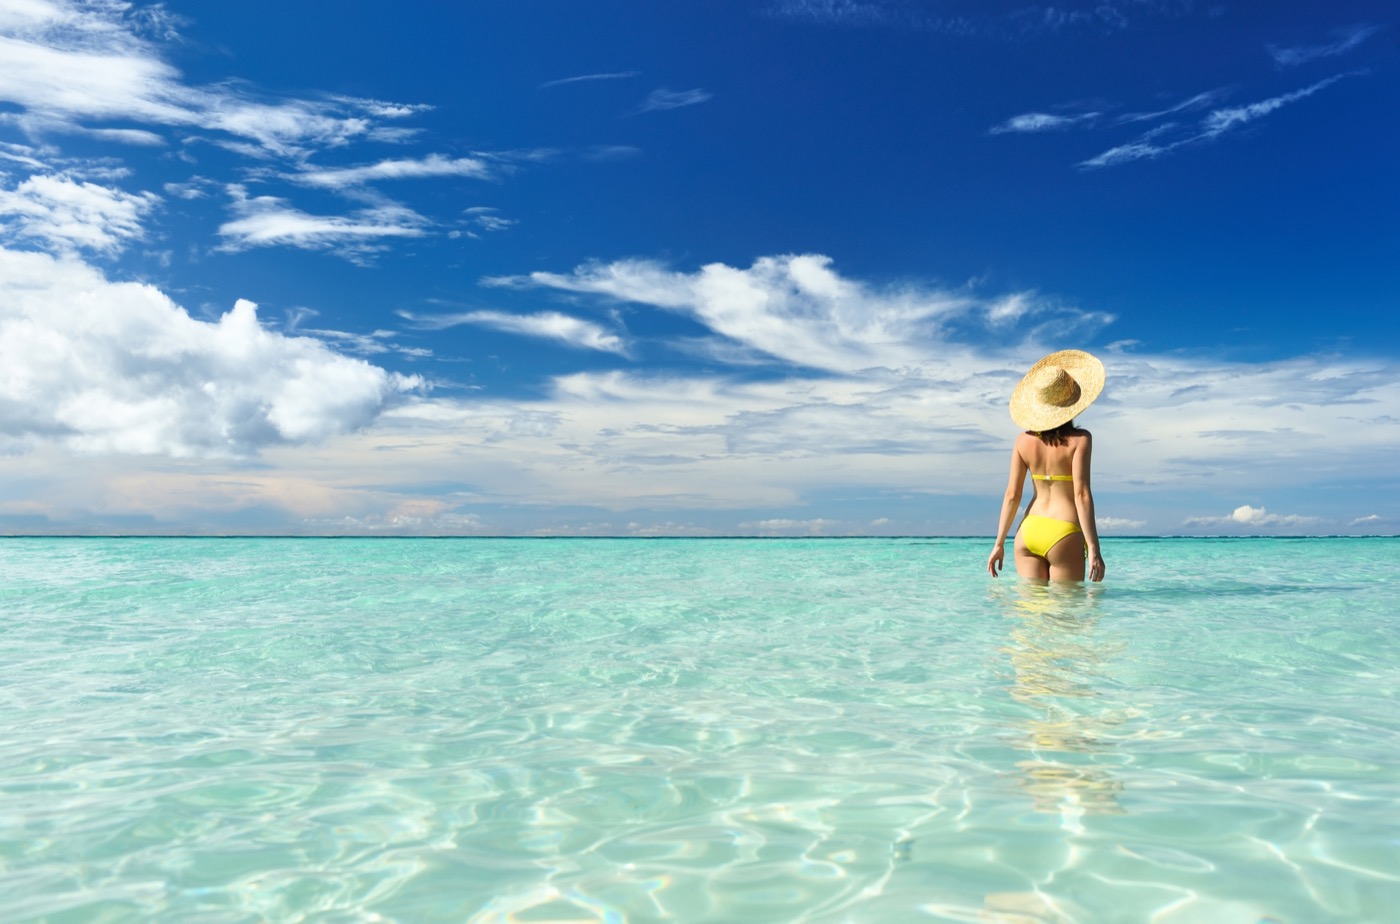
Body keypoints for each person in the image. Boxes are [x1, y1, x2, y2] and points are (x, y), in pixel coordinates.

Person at [987, 350, 1106, 582]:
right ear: (1072, 403)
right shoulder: (1081, 440)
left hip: (1028, 531)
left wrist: (998, 543)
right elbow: (1081, 494)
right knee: (1066, 615)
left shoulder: (1022, 441)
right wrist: (1094, 549)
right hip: (1064, 531)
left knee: (1032, 616)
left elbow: (1012, 495)